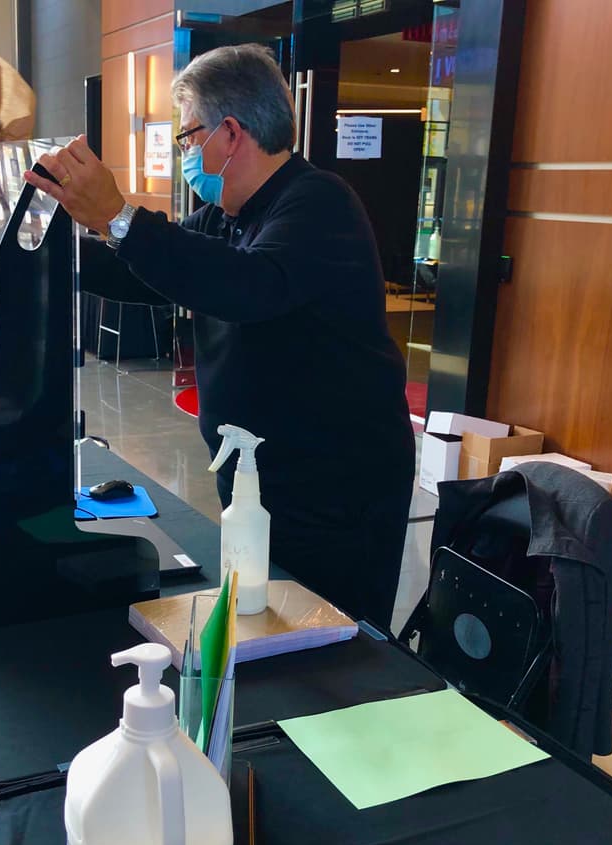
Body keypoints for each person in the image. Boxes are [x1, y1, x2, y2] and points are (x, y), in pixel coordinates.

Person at [26, 44, 415, 630]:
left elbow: (246, 287)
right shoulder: (228, 215)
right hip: (266, 483)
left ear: (230, 133)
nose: (185, 152)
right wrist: (51, 244)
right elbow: (160, 271)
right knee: (270, 631)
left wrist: (122, 218)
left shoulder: (319, 204)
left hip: (335, 494)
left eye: (188, 137)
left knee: (332, 651)